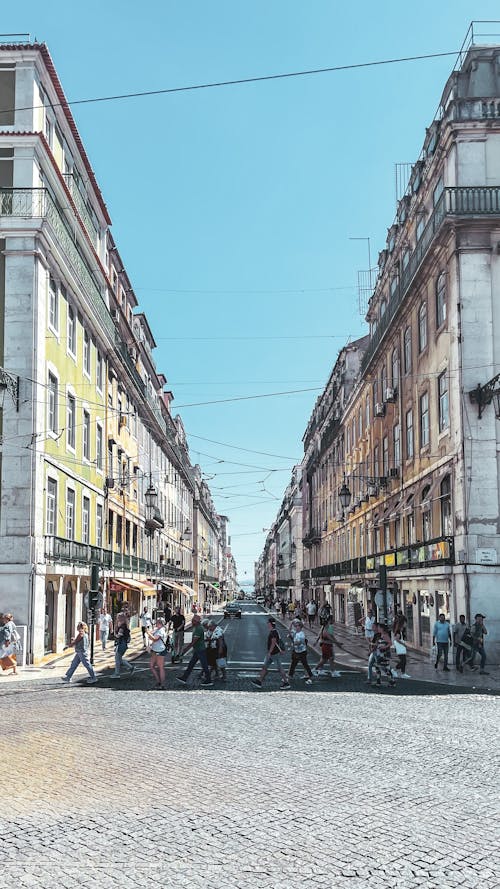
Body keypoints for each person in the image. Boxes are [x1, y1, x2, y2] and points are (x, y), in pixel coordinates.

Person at [251, 617, 290, 689]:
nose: (267, 624)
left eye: (268, 623)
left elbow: (273, 642)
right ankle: (259, 681)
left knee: (280, 668)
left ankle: (286, 683)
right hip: (272, 653)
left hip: (275, 654)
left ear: (270, 624)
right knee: (265, 667)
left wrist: (269, 652)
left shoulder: (273, 632)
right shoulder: (274, 631)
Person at [176, 614, 212, 686]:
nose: (191, 622)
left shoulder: (198, 629)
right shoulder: (196, 627)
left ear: (196, 621)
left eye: (193, 620)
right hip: (197, 649)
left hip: (200, 650)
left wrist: (185, 650)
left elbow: (193, 641)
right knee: (191, 664)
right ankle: (184, 677)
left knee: (204, 665)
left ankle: (208, 680)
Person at [287, 618, 314, 684]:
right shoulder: (296, 632)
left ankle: (310, 678)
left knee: (305, 665)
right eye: (295, 626)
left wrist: (291, 644)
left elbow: (298, 642)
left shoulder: (302, 634)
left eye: (297, 626)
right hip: (296, 651)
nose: (296, 627)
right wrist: (291, 623)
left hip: (302, 652)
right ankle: (289, 676)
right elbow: (289, 631)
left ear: (300, 627)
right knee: (293, 664)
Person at [147, 617, 168, 689]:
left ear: (160, 623)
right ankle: (158, 681)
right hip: (154, 649)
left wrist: (148, 633)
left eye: (157, 622)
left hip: (160, 650)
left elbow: (154, 639)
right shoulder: (157, 629)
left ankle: (162, 684)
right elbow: (152, 637)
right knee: (151, 666)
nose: (156, 623)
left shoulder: (161, 631)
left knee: (160, 667)